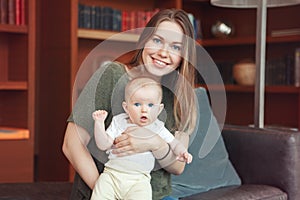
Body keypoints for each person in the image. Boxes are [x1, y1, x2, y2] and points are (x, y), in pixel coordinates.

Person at [62, 8, 198, 200]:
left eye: (175, 47)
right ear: (144, 41)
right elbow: (71, 145)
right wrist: (108, 192)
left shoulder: (179, 96)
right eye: (157, 40)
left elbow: (178, 166)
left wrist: (155, 143)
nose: (163, 53)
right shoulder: (112, 75)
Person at [91, 77, 193, 199]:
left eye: (150, 105)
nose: (144, 110)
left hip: (139, 180)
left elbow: (174, 143)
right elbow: (103, 144)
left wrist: (182, 152)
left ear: (159, 109)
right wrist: (99, 123)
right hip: (111, 175)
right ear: (126, 107)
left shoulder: (157, 128)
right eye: (137, 104)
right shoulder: (119, 122)